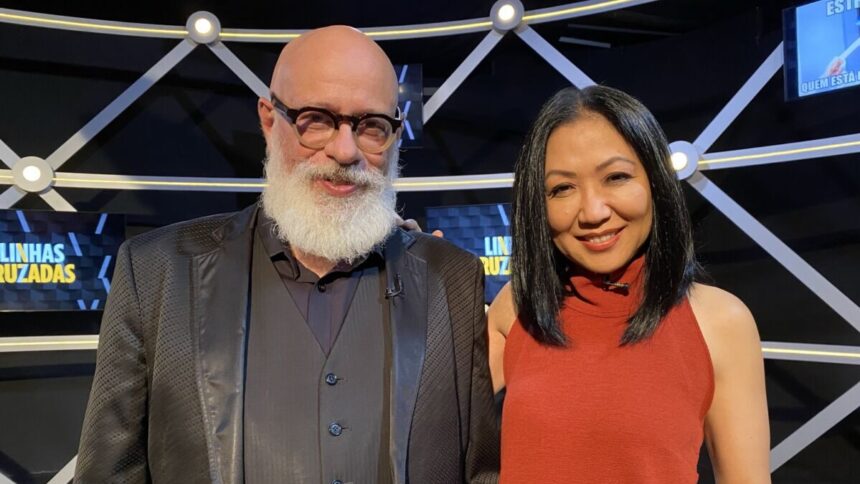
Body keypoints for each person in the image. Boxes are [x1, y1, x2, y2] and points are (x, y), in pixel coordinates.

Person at [75, 26, 499, 484]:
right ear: (268, 117)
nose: (345, 150)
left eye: (372, 127)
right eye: (316, 119)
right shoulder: (157, 274)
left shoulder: (452, 279)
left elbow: (480, 474)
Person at [487, 86, 770, 483]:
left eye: (616, 177)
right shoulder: (518, 307)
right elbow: (426, 427)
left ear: (655, 181)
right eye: (562, 189)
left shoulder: (720, 321)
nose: (593, 211)